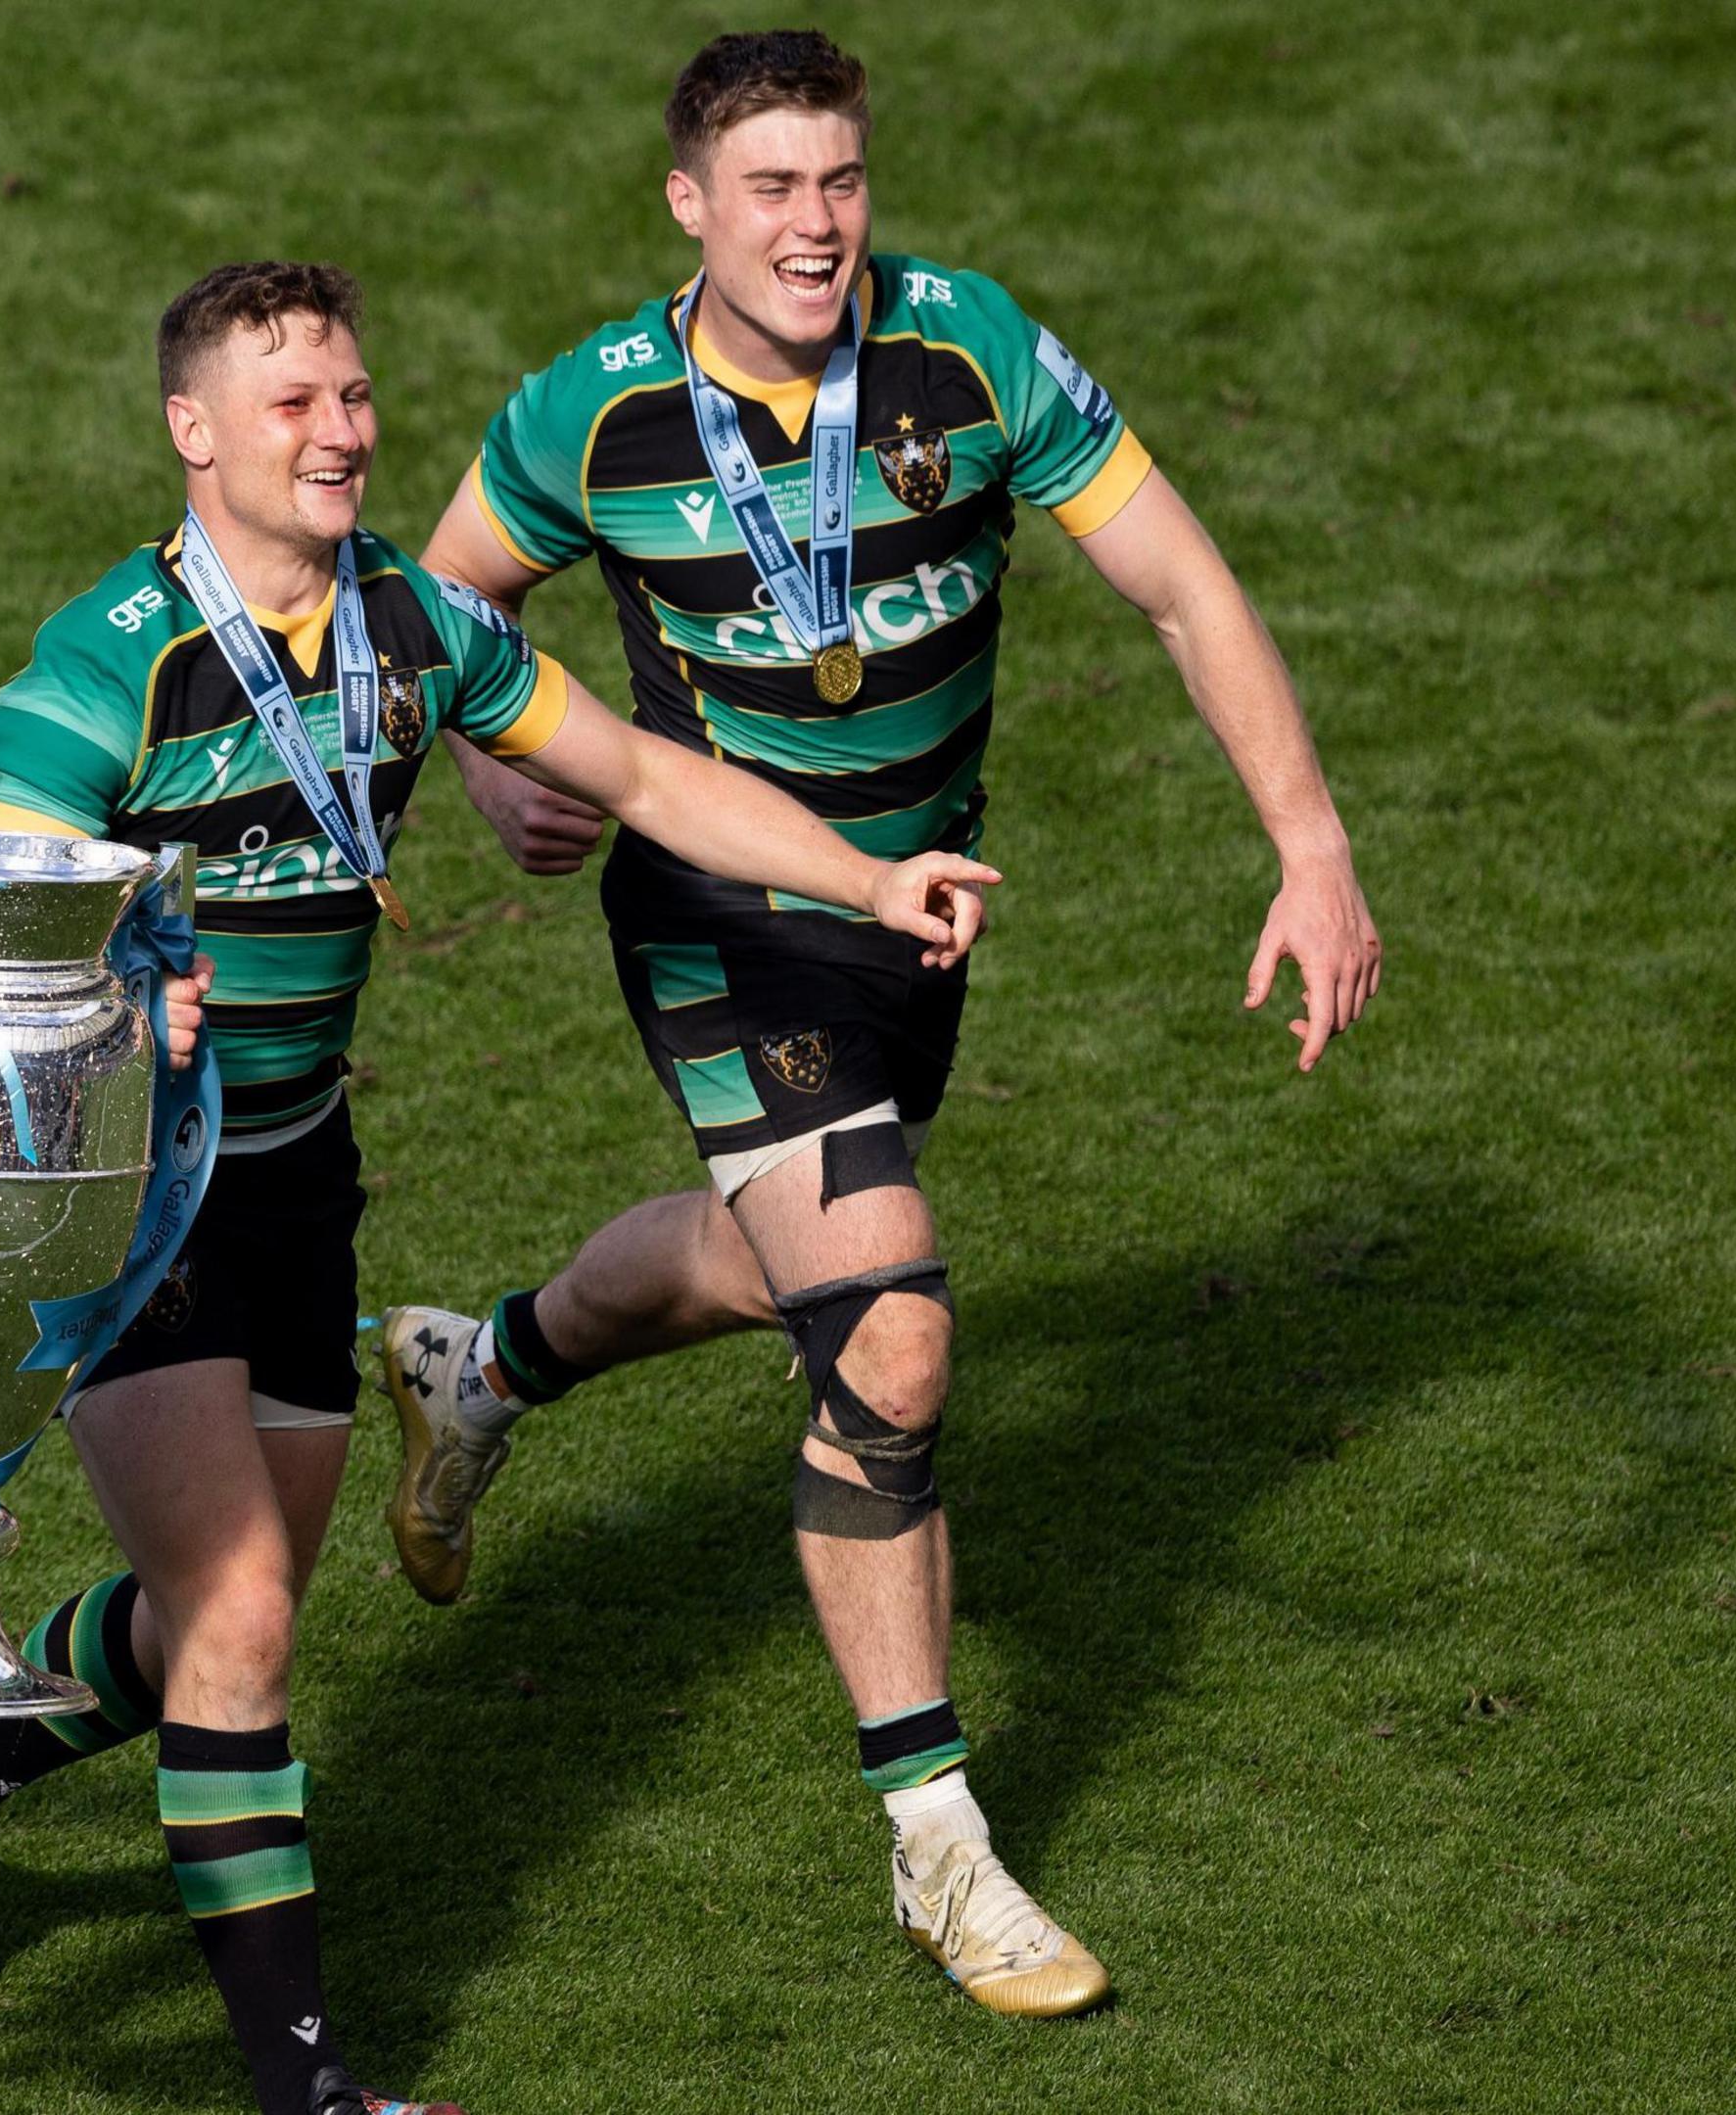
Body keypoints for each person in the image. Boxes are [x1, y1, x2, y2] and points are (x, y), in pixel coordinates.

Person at [0, 261, 998, 2115]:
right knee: (235, 1619)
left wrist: (863, 882)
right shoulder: (112, 663)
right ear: (195, 433)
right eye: (293, 404)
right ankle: (310, 2092)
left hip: (300, 1173)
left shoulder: (408, 619)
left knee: (214, 1629)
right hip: (130, 1201)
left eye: (354, 395)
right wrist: (113, 988)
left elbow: (636, 769)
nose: (340, 432)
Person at [381, 29, 1385, 2020]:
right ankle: (942, 1844)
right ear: (690, 204)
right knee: (891, 1327)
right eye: (772, 188)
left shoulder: (972, 352)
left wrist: (1314, 842)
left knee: (794, 1262)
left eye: (840, 182)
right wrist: (494, 775)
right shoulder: (596, 411)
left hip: (919, 922)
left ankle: (478, 1369)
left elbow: (1183, 589)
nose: (816, 224)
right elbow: (426, 605)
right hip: (718, 922)